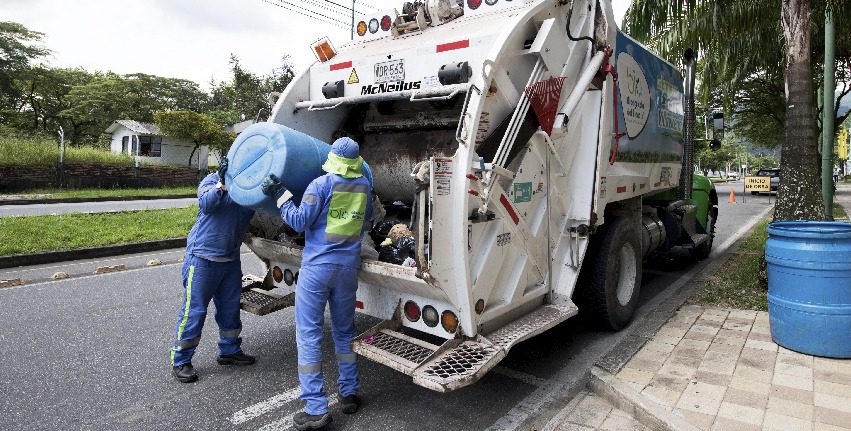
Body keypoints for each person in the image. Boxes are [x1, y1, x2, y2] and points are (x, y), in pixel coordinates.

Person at [261, 137, 373, 430]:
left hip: (318, 269)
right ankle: (349, 393)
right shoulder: (363, 187)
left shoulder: (320, 185)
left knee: (309, 334)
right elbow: (365, 223)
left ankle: (316, 408)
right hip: (347, 269)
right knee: (345, 332)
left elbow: (298, 221)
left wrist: (281, 195)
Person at [170, 158, 257, 383]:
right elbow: (206, 204)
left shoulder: (250, 189)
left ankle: (229, 351)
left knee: (230, 310)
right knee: (194, 312)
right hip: (202, 259)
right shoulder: (212, 180)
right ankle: (181, 360)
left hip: (230, 261)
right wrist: (223, 183)